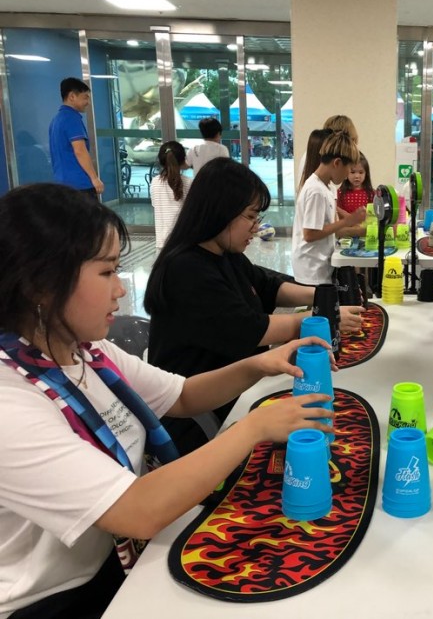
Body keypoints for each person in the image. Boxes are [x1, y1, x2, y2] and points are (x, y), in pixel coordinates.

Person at [0, 183, 334, 617]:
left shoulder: (86, 352)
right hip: (56, 600)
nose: (121, 290)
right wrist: (255, 427)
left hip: (123, 559)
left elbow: (182, 395)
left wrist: (259, 365)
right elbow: (138, 511)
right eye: (106, 272)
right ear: (40, 284)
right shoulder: (11, 404)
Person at [144, 158, 363, 454]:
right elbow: (250, 329)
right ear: (220, 212)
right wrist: (322, 316)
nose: (256, 227)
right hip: (202, 417)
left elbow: (269, 286)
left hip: (240, 391)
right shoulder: (186, 270)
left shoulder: (225, 253)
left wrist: (324, 297)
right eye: (250, 216)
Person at [292, 131, 366, 286]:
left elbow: (327, 227)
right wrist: (347, 221)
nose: (347, 175)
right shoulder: (316, 191)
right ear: (337, 163)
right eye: (349, 169)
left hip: (319, 267)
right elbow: (310, 234)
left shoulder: (325, 187)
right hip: (311, 271)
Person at [48, 77, 104, 201]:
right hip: (79, 185)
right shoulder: (72, 119)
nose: (88, 102)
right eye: (85, 97)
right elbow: (80, 150)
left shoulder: (56, 119)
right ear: (72, 96)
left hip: (62, 184)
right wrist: (94, 178)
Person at [150, 141, 191, 249]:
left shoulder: (155, 182)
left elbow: (155, 205)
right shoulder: (188, 183)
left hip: (162, 242)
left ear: (161, 160)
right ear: (183, 160)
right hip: (183, 242)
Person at [336, 152, 375, 239]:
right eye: (353, 172)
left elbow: (373, 217)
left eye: (361, 172)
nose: (357, 176)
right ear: (346, 172)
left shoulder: (372, 193)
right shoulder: (340, 193)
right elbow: (338, 215)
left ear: (366, 174)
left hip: (365, 234)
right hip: (346, 234)